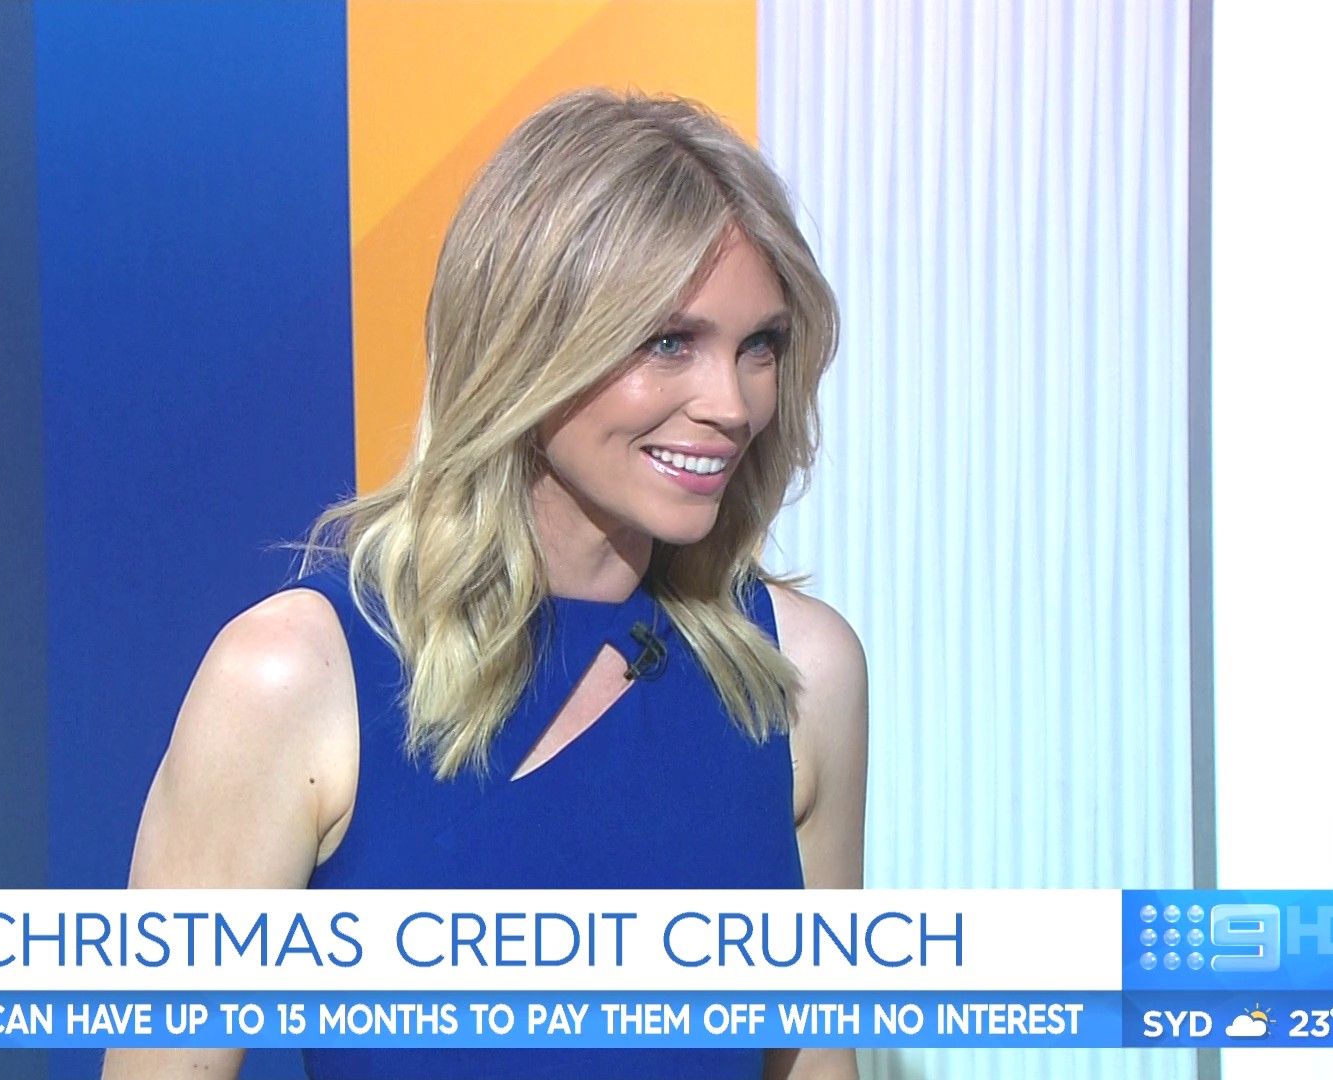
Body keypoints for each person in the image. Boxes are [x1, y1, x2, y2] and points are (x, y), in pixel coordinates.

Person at [105, 88, 868, 1080]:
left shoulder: (799, 673)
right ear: (527, 342)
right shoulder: (294, 677)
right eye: (669, 342)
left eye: (758, 345)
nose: (730, 404)